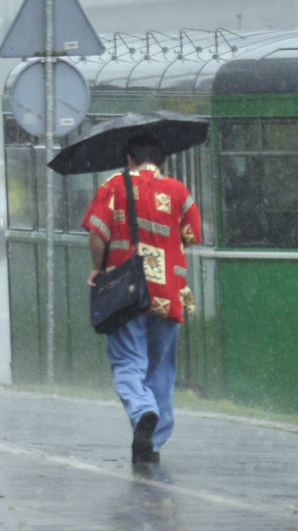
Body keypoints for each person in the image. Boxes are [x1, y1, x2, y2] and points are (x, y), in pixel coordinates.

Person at [82, 134, 202, 465]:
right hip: (169, 292)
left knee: (127, 362)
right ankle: (154, 444)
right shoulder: (181, 192)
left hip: (126, 290)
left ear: (130, 160)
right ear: (161, 161)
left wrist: (98, 268)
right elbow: (191, 236)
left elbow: (97, 231)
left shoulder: (115, 185)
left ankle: (142, 409)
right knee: (161, 367)